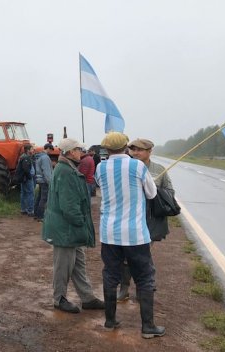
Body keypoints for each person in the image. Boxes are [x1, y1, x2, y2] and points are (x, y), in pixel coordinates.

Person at [94, 132, 165, 338]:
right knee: (144, 278)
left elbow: (101, 186)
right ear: (126, 146)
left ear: (106, 148)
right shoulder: (138, 166)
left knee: (110, 275)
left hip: (109, 233)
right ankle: (148, 326)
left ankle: (110, 321)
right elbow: (151, 194)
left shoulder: (101, 167)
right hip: (135, 234)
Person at [41, 138, 105, 314]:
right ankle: (59, 299)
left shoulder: (67, 168)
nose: (81, 151)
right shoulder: (66, 172)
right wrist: (81, 223)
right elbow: (69, 206)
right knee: (63, 267)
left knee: (78, 264)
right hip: (66, 229)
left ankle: (87, 298)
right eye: (78, 149)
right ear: (69, 152)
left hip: (69, 229)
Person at [117, 138, 175, 301]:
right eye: (132, 149)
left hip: (150, 220)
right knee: (128, 254)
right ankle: (125, 288)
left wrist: (153, 189)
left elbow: (170, 192)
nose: (135, 153)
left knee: (141, 253)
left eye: (139, 150)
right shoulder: (124, 168)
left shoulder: (159, 170)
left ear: (149, 151)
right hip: (128, 218)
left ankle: (145, 286)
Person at [34, 144, 53, 222]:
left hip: (39, 179)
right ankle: (41, 216)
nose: (51, 152)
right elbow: (46, 171)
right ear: (48, 148)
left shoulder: (38, 156)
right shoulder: (45, 158)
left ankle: (36, 214)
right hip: (44, 180)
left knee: (39, 197)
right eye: (51, 150)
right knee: (44, 198)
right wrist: (50, 182)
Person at [17, 145, 35, 216]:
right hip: (27, 179)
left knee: (24, 193)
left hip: (24, 179)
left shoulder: (23, 156)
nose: (33, 150)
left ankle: (23, 209)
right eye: (32, 149)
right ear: (28, 150)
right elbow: (26, 169)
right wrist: (30, 177)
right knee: (30, 193)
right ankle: (30, 211)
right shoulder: (26, 158)